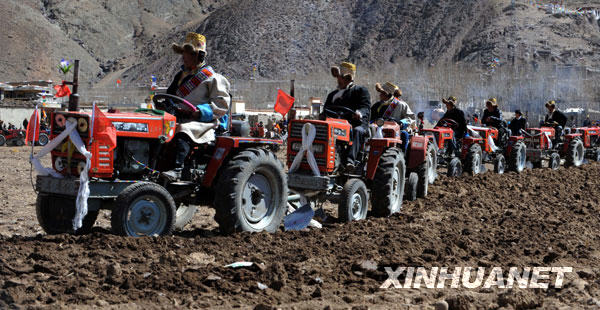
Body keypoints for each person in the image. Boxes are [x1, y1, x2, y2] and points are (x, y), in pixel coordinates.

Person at [162, 32, 231, 180]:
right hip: (178, 116)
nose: (184, 57)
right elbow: (170, 95)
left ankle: (178, 169)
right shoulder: (180, 76)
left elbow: (221, 104)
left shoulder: (213, 78)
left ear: (198, 55)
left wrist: (197, 112)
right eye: (183, 53)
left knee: (183, 129)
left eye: (188, 53)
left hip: (202, 121)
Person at [322, 62, 370, 170]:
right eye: (337, 77)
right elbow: (326, 110)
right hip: (335, 125)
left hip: (355, 124)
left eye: (341, 78)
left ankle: (350, 161)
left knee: (358, 130)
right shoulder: (332, 95)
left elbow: (365, 107)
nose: (338, 80)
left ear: (348, 79)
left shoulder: (360, 91)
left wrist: (359, 113)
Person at [370, 82, 414, 151]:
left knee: (404, 135)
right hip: (376, 129)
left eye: (381, 93)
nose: (380, 95)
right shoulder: (377, 105)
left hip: (396, 130)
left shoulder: (401, 105)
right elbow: (370, 117)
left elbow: (411, 118)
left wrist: (402, 123)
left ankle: (402, 156)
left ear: (387, 94)